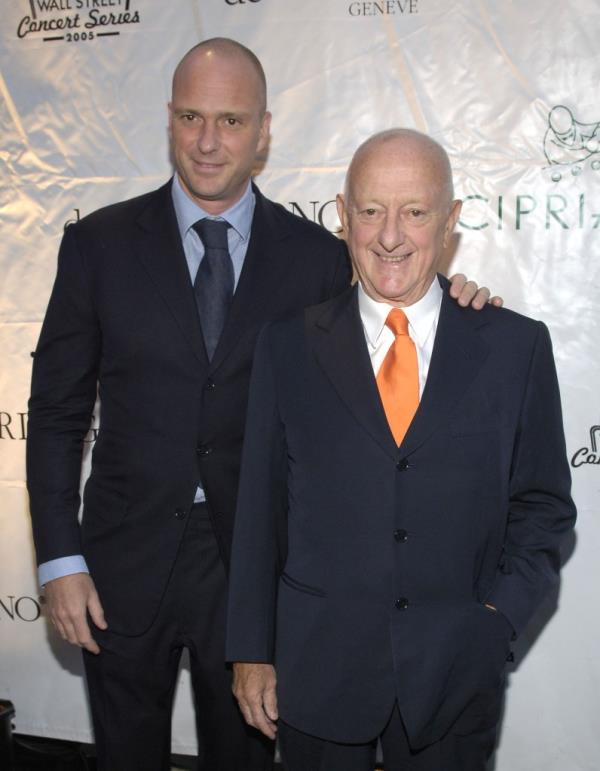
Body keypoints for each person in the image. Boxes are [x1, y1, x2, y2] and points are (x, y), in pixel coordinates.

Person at [26, 37, 496, 771]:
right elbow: (55, 411)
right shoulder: (98, 245)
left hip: (258, 568)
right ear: (170, 119)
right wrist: (59, 558)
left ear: (265, 131)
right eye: (192, 117)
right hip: (120, 563)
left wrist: (461, 305)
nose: (210, 142)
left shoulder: (318, 256)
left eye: (233, 121)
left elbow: (393, 324)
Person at [226, 128, 576, 771]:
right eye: (370, 211)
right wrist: (250, 649)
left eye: (414, 211)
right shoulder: (287, 346)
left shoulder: (512, 347)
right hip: (315, 672)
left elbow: (543, 507)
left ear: (451, 221)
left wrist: (495, 621)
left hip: (452, 679)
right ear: (341, 216)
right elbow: (259, 511)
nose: (390, 236)